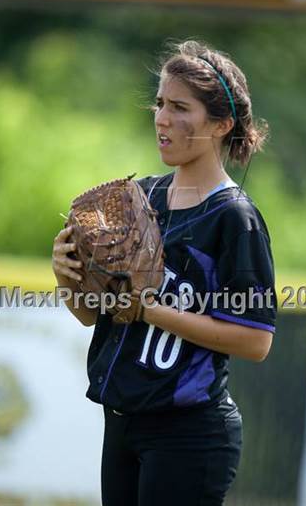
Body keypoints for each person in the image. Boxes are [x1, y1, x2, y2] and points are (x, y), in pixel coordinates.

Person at [52, 40, 277, 506]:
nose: (161, 118)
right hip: (122, 422)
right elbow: (94, 316)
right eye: (159, 103)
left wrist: (153, 311)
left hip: (189, 434)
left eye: (179, 107)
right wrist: (68, 277)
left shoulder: (234, 218)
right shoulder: (140, 198)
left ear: (221, 124)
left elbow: (256, 341)